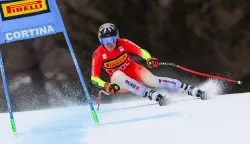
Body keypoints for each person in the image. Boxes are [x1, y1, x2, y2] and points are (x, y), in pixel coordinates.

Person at [91, 23, 207, 106]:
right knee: (116, 74)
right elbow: (94, 78)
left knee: (154, 81)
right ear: (100, 41)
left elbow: (140, 51)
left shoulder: (123, 43)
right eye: (105, 41)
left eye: (112, 39)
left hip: (134, 71)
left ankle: (188, 89)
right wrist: (106, 85)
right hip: (120, 83)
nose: (110, 44)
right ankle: (150, 94)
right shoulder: (98, 54)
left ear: (117, 37)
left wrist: (149, 59)